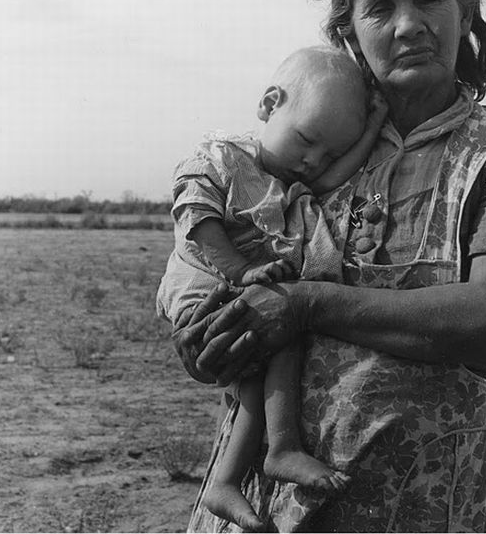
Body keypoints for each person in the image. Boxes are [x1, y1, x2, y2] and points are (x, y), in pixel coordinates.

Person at [158, 0, 486, 533]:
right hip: (263, 513)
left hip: (421, 503)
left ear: (464, 9)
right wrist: (212, 339)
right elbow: (224, 261)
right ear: (350, 31)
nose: (409, 23)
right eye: (380, 7)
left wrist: (305, 303)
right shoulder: (315, 147)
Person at [158, 46, 388, 531]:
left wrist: (370, 131)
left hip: (253, 291)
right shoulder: (221, 157)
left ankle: (270, 455)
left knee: (279, 345)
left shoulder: (289, 180)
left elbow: (336, 174)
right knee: (253, 363)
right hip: (205, 286)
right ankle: (244, 469)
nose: (312, 160)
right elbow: (196, 219)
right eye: (307, 140)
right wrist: (240, 271)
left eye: (327, 152)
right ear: (269, 105)